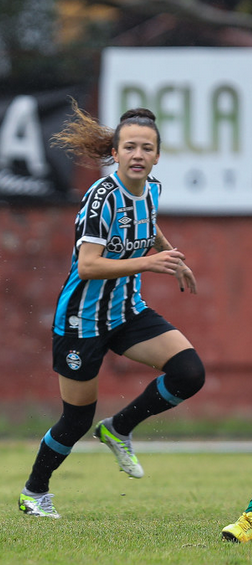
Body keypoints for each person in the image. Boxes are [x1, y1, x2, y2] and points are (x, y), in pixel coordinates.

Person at [18, 102, 205, 519]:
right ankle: (34, 492)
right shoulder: (101, 197)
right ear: (115, 153)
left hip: (126, 312)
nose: (138, 155)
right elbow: (88, 265)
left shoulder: (152, 189)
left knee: (189, 372)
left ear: (157, 155)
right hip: (81, 321)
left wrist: (171, 255)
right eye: (130, 147)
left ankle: (119, 428)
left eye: (147, 148)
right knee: (76, 419)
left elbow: (148, 222)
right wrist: (149, 263)